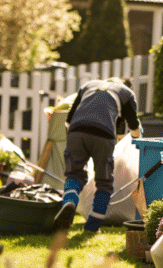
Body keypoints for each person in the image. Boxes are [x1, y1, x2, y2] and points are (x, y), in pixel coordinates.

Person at [53, 77, 142, 232]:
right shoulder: (126, 93)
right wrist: (135, 139)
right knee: (104, 182)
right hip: (103, 135)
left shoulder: (88, 85)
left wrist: (74, 142)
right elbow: (133, 125)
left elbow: (68, 121)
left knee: (74, 175)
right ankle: (92, 226)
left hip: (76, 131)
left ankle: (70, 201)